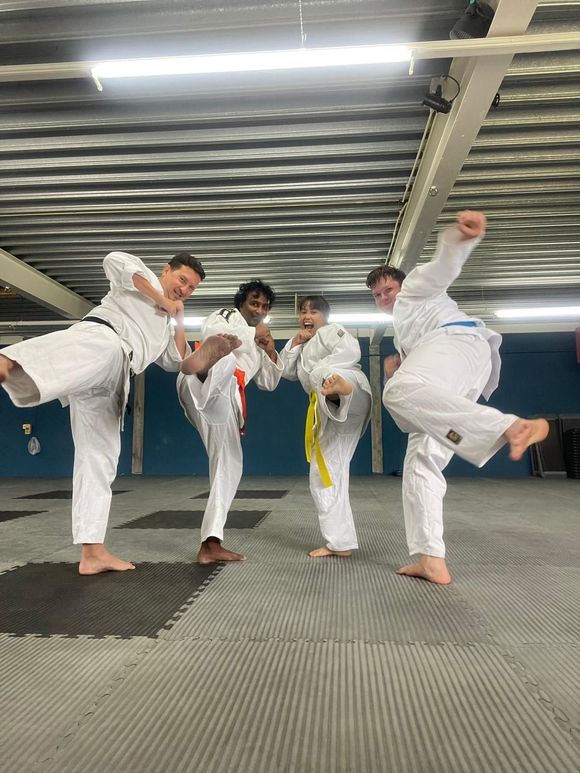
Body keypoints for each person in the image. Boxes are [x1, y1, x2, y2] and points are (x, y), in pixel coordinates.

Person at [366, 210, 549, 585]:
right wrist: (400, 368)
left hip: (457, 342)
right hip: (458, 370)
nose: (384, 298)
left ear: (402, 286)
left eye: (388, 289)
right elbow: (417, 406)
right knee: (422, 459)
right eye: (377, 295)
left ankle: (507, 426)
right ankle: (431, 558)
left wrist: (459, 240)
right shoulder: (404, 332)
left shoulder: (416, 291)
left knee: (397, 392)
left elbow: (440, 269)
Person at [0, 250, 209, 575]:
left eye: (191, 288)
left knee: (100, 457)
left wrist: (178, 318)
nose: (184, 289)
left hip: (117, 376)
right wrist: (160, 299)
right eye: (182, 280)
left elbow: (176, 361)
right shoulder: (143, 276)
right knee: (96, 350)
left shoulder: (165, 327)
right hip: (103, 338)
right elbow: (114, 261)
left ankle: (92, 551)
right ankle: (8, 362)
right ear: (166, 270)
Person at [177, 279, 283, 565]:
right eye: (254, 303)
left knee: (229, 464)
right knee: (224, 358)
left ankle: (211, 544)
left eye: (264, 306)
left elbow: (269, 383)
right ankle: (207, 366)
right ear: (241, 304)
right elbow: (212, 330)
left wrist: (270, 350)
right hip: (208, 383)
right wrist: (251, 334)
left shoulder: (258, 344)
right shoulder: (228, 316)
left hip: (218, 402)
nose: (259, 310)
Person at [279, 295, 372, 558]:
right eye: (303, 312)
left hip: (351, 384)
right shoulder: (303, 346)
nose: (307, 316)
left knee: (322, 375)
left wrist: (323, 371)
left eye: (314, 312)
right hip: (336, 413)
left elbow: (351, 351)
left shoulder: (331, 331)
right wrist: (295, 343)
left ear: (325, 317)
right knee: (326, 472)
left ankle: (338, 387)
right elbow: (285, 371)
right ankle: (340, 542)